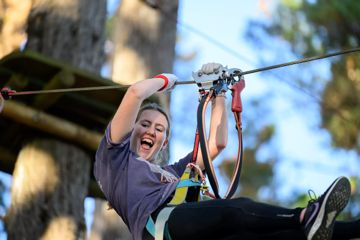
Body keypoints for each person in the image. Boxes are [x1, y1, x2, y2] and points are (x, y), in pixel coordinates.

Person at [94, 63, 356, 240]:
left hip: (185, 225)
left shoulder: (172, 174)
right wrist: (166, 81)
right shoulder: (114, 159)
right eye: (145, 124)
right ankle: (306, 214)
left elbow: (215, 145)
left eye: (159, 129)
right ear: (131, 128)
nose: (151, 131)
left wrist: (219, 93)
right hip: (161, 225)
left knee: (281, 235)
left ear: (164, 142)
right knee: (236, 210)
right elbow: (135, 93)